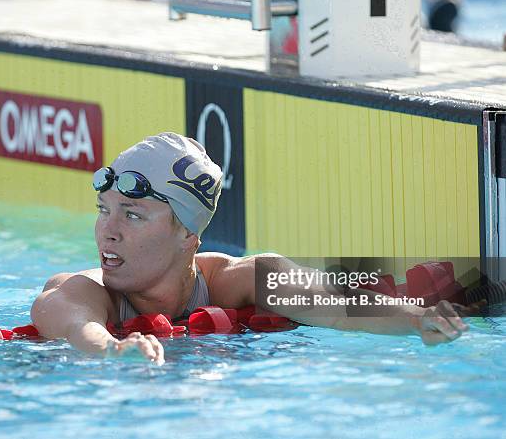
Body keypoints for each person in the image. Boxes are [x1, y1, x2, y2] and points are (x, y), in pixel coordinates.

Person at [31, 132, 478, 365]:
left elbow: (339, 306)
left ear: (188, 234)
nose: (106, 231)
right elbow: (77, 328)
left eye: (131, 214)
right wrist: (113, 352)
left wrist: (419, 319)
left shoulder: (242, 278)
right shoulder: (82, 291)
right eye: (103, 209)